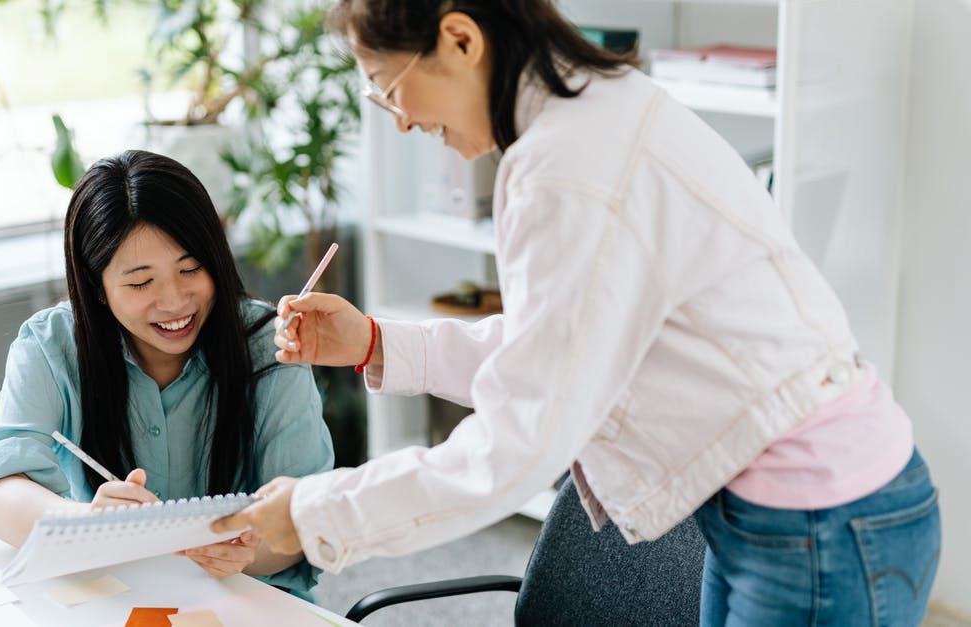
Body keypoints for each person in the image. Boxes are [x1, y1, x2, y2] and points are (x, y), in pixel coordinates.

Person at [213, 1, 942, 622]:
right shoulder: (590, 110)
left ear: (461, 40)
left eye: (387, 87)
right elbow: (558, 348)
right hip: (791, 512)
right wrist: (375, 342)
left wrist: (313, 515)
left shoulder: (568, 169)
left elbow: (516, 444)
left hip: (820, 519)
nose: (398, 121)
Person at [0, 149, 334, 597]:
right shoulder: (51, 344)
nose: (175, 301)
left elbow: (307, 519)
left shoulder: (271, 346)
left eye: (191, 268)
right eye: (141, 283)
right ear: (96, 286)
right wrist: (90, 525)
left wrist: (247, 551)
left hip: (246, 601)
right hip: (115, 598)